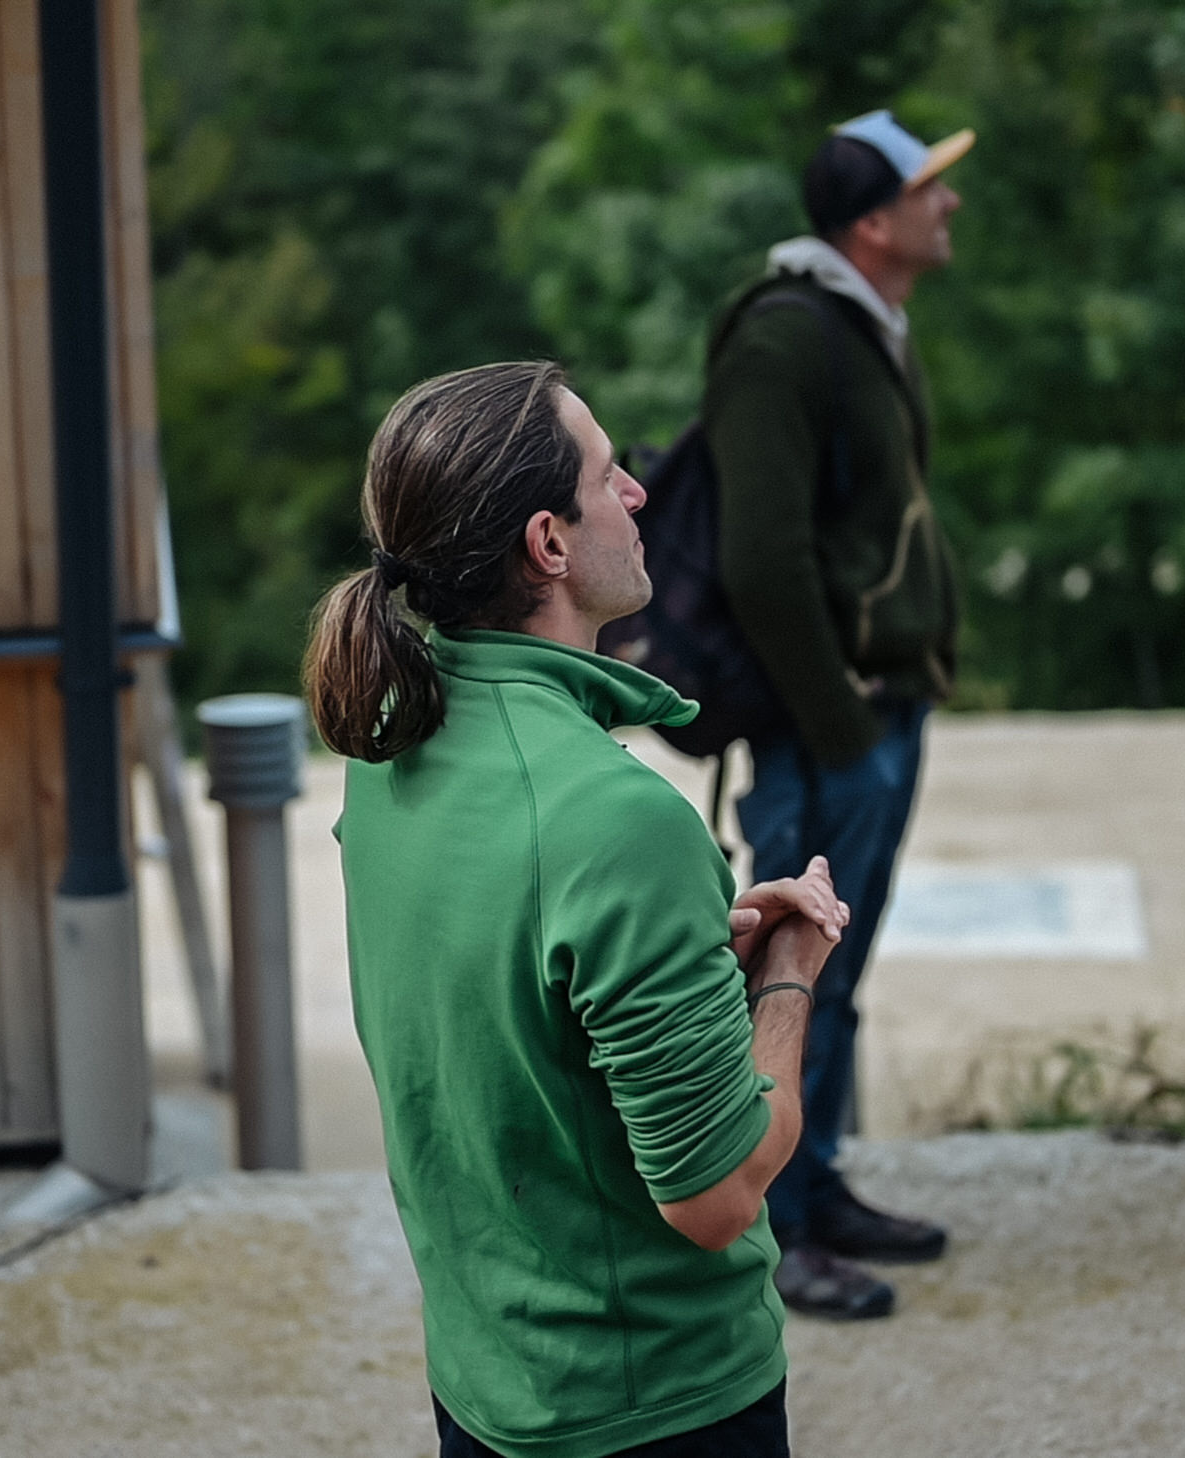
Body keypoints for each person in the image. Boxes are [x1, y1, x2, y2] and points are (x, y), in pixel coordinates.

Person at [305, 361, 853, 1457]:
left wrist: (685, 961)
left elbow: (517, 1009)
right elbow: (720, 1194)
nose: (641, 495)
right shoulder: (616, 819)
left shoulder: (399, 741)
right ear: (549, 545)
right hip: (650, 1405)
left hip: (486, 1385)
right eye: (612, 476)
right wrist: (788, 974)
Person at [707, 108, 969, 1321]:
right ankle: (772, 1224)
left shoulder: (869, 326)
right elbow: (762, 561)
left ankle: (815, 1188)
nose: (949, 204)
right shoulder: (787, 339)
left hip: (876, 708)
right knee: (789, 981)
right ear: (874, 220)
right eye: (932, 188)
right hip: (831, 725)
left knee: (835, 973)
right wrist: (841, 725)